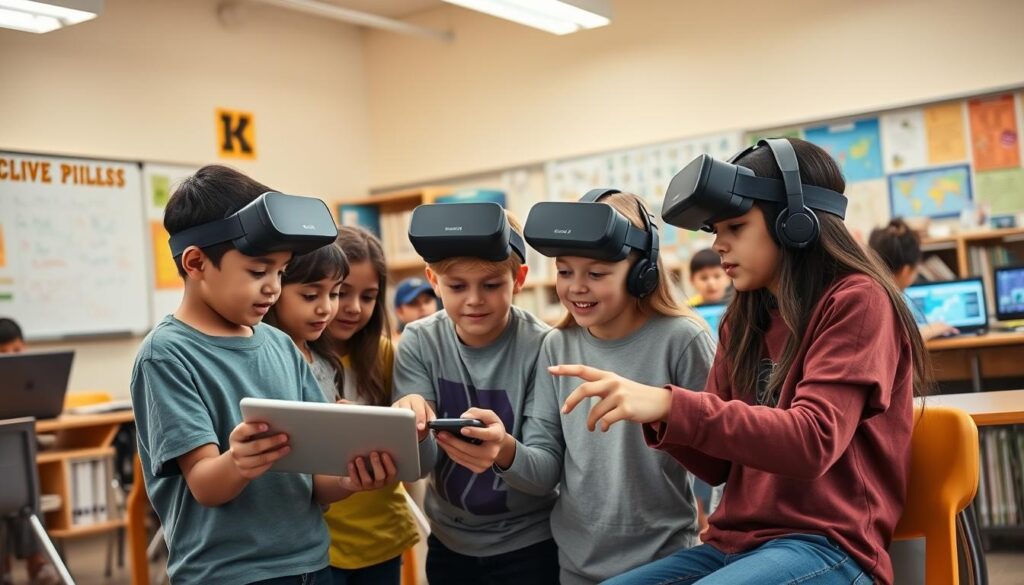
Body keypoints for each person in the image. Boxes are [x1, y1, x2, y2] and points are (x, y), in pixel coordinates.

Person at [562, 139, 928, 585]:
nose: (719, 245)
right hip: (731, 545)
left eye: (735, 226)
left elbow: (813, 441)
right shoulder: (745, 315)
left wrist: (670, 405)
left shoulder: (858, 301)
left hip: (830, 545)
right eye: (716, 230)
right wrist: (657, 413)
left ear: (796, 222)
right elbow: (718, 467)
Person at [130, 165, 389, 585]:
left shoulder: (280, 345)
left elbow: (317, 485)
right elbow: (206, 486)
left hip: (312, 563)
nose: (272, 287)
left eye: (281, 272)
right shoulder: (166, 355)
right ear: (196, 262)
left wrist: (349, 477)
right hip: (228, 574)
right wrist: (239, 460)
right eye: (257, 271)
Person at [493, 191, 716, 584]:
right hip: (577, 566)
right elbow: (545, 470)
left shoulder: (683, 339)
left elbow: (725, 449)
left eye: (596, 274)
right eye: (564, 272)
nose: (577, 287)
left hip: (664, 561)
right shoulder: (555, 345)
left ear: (641, 272)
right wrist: (504, 450)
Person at [392, 205, 559, 584]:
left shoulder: (545, 346)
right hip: (450, 545)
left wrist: (504, 450)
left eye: (491, 284)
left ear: (518, 279)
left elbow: (545, 473)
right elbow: (417, 468)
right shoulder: (419, 340)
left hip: (531, 546)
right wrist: (411, 431)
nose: (474, 299)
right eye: (456, 286)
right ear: (433, 280)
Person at [322, 226, 419, 585]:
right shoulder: (293, 358)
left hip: (381, 538)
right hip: (319, 543)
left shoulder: (385, 354)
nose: (353, 308)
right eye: (341, 293)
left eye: (369, 297)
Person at [0, 318, 59, 585]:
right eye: (4, 353)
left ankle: (33, 563)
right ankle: (33, 562)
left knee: (22, 487)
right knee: (16, 490)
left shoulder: (31, 379)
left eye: (16, 351)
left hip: (20, 461)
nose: (12, 358)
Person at [868, 218, 959, 340]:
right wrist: (929, 330)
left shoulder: (872, 291)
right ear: (906, 271)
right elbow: (893, 341)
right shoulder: (881, 302)